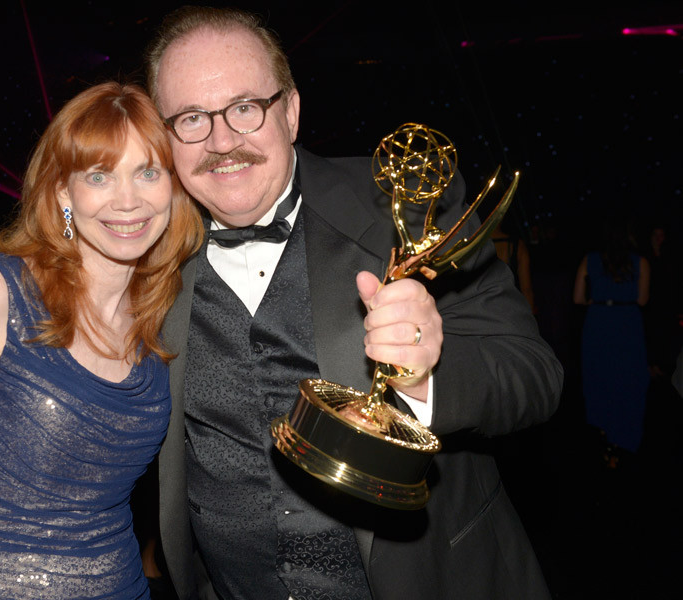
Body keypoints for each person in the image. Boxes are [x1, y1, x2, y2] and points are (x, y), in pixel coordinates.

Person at [144, 7, 563, 599]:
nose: (222, 141)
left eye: (245, 107)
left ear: (290, 111)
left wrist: (426, 378)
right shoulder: (142, 256)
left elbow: (535, 374)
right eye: (191, 118)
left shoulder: (408, 207)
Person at [0, 82, 202, 600]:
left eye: (148, 172)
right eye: (98, 176)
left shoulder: (166, 316)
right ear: (63, 194)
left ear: (174, 186)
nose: (128, 200)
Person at [574, 218, 650, 455]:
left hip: (598, 321)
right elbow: (642, 300)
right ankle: (624, 439)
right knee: (628, 380)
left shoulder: (589, 259)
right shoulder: (641, 262)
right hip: (627, 323)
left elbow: (577, 298)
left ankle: (603, 435)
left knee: (599, 378)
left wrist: (595, 299)